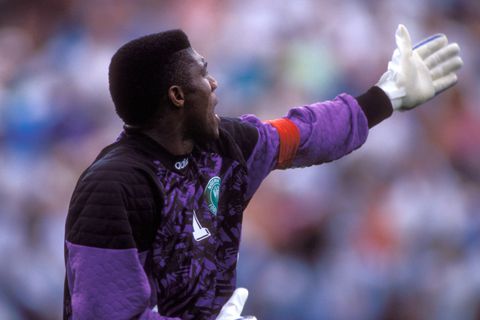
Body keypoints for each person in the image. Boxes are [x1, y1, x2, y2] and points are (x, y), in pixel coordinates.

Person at [63, 25, 462, 319]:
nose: (214, 82)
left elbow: (302, 135)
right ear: (178, 95)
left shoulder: (223, 147)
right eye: (203, 72)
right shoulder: (111, 187)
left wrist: (385, 97)